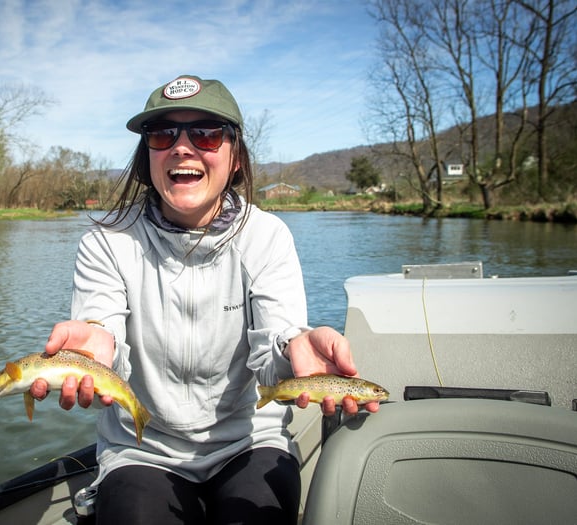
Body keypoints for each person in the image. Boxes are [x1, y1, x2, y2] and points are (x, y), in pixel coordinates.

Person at [30, 74, 380, 524]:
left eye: (206, 133)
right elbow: (103, 335)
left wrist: (295, 351)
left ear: (236, 158)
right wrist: (98, 351)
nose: (181, 146)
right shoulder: (107, 242)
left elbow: (275, 349)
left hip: (249, 443)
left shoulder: (267, 237)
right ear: (148, 157)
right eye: (162, 134)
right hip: (142, 451)